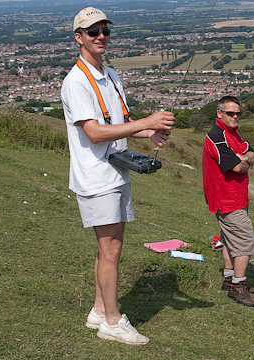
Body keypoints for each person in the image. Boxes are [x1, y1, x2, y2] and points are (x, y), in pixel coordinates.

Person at [61, 7, 175, 345]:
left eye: (105, 31)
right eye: (92, 31)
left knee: (108, 248)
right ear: (78, 37)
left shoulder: (111, 75)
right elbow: (94, 133)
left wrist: (147, 135)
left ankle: (99, 310)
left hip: (116, 171)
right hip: (96, 176)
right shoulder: (76, 82)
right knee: (110, 250)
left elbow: (114, 124)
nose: (100, 36)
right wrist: (146, 123)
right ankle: (113, 320)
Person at [202, 96, 254, 307]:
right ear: (219, 114)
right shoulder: (217, 137)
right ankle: (238, 286)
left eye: (238, 113)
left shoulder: (232, 132)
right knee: (245, 242)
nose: (235, 117)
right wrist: (244, 161)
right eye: (230, 113)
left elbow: (251, 153)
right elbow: (237, 167)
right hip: (226, 199)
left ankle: (228, 278)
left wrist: (244, 158)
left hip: (237, 196)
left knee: (228, 238)